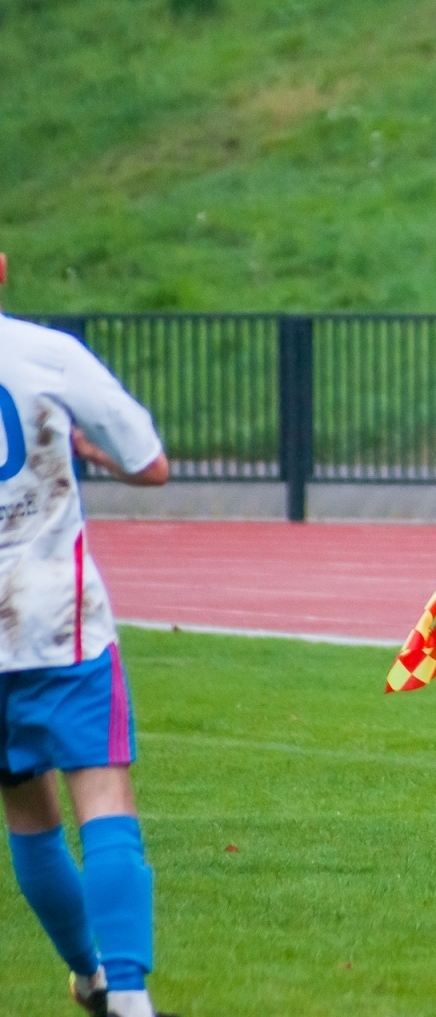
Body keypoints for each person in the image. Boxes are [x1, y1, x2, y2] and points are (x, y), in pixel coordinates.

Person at [0, 273, 177, 1017]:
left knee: (25, 811)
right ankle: (127, 995)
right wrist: (85, 454)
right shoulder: (45, 352)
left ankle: (87, 975)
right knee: (102, 798)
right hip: (53, 615)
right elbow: (150, 463)